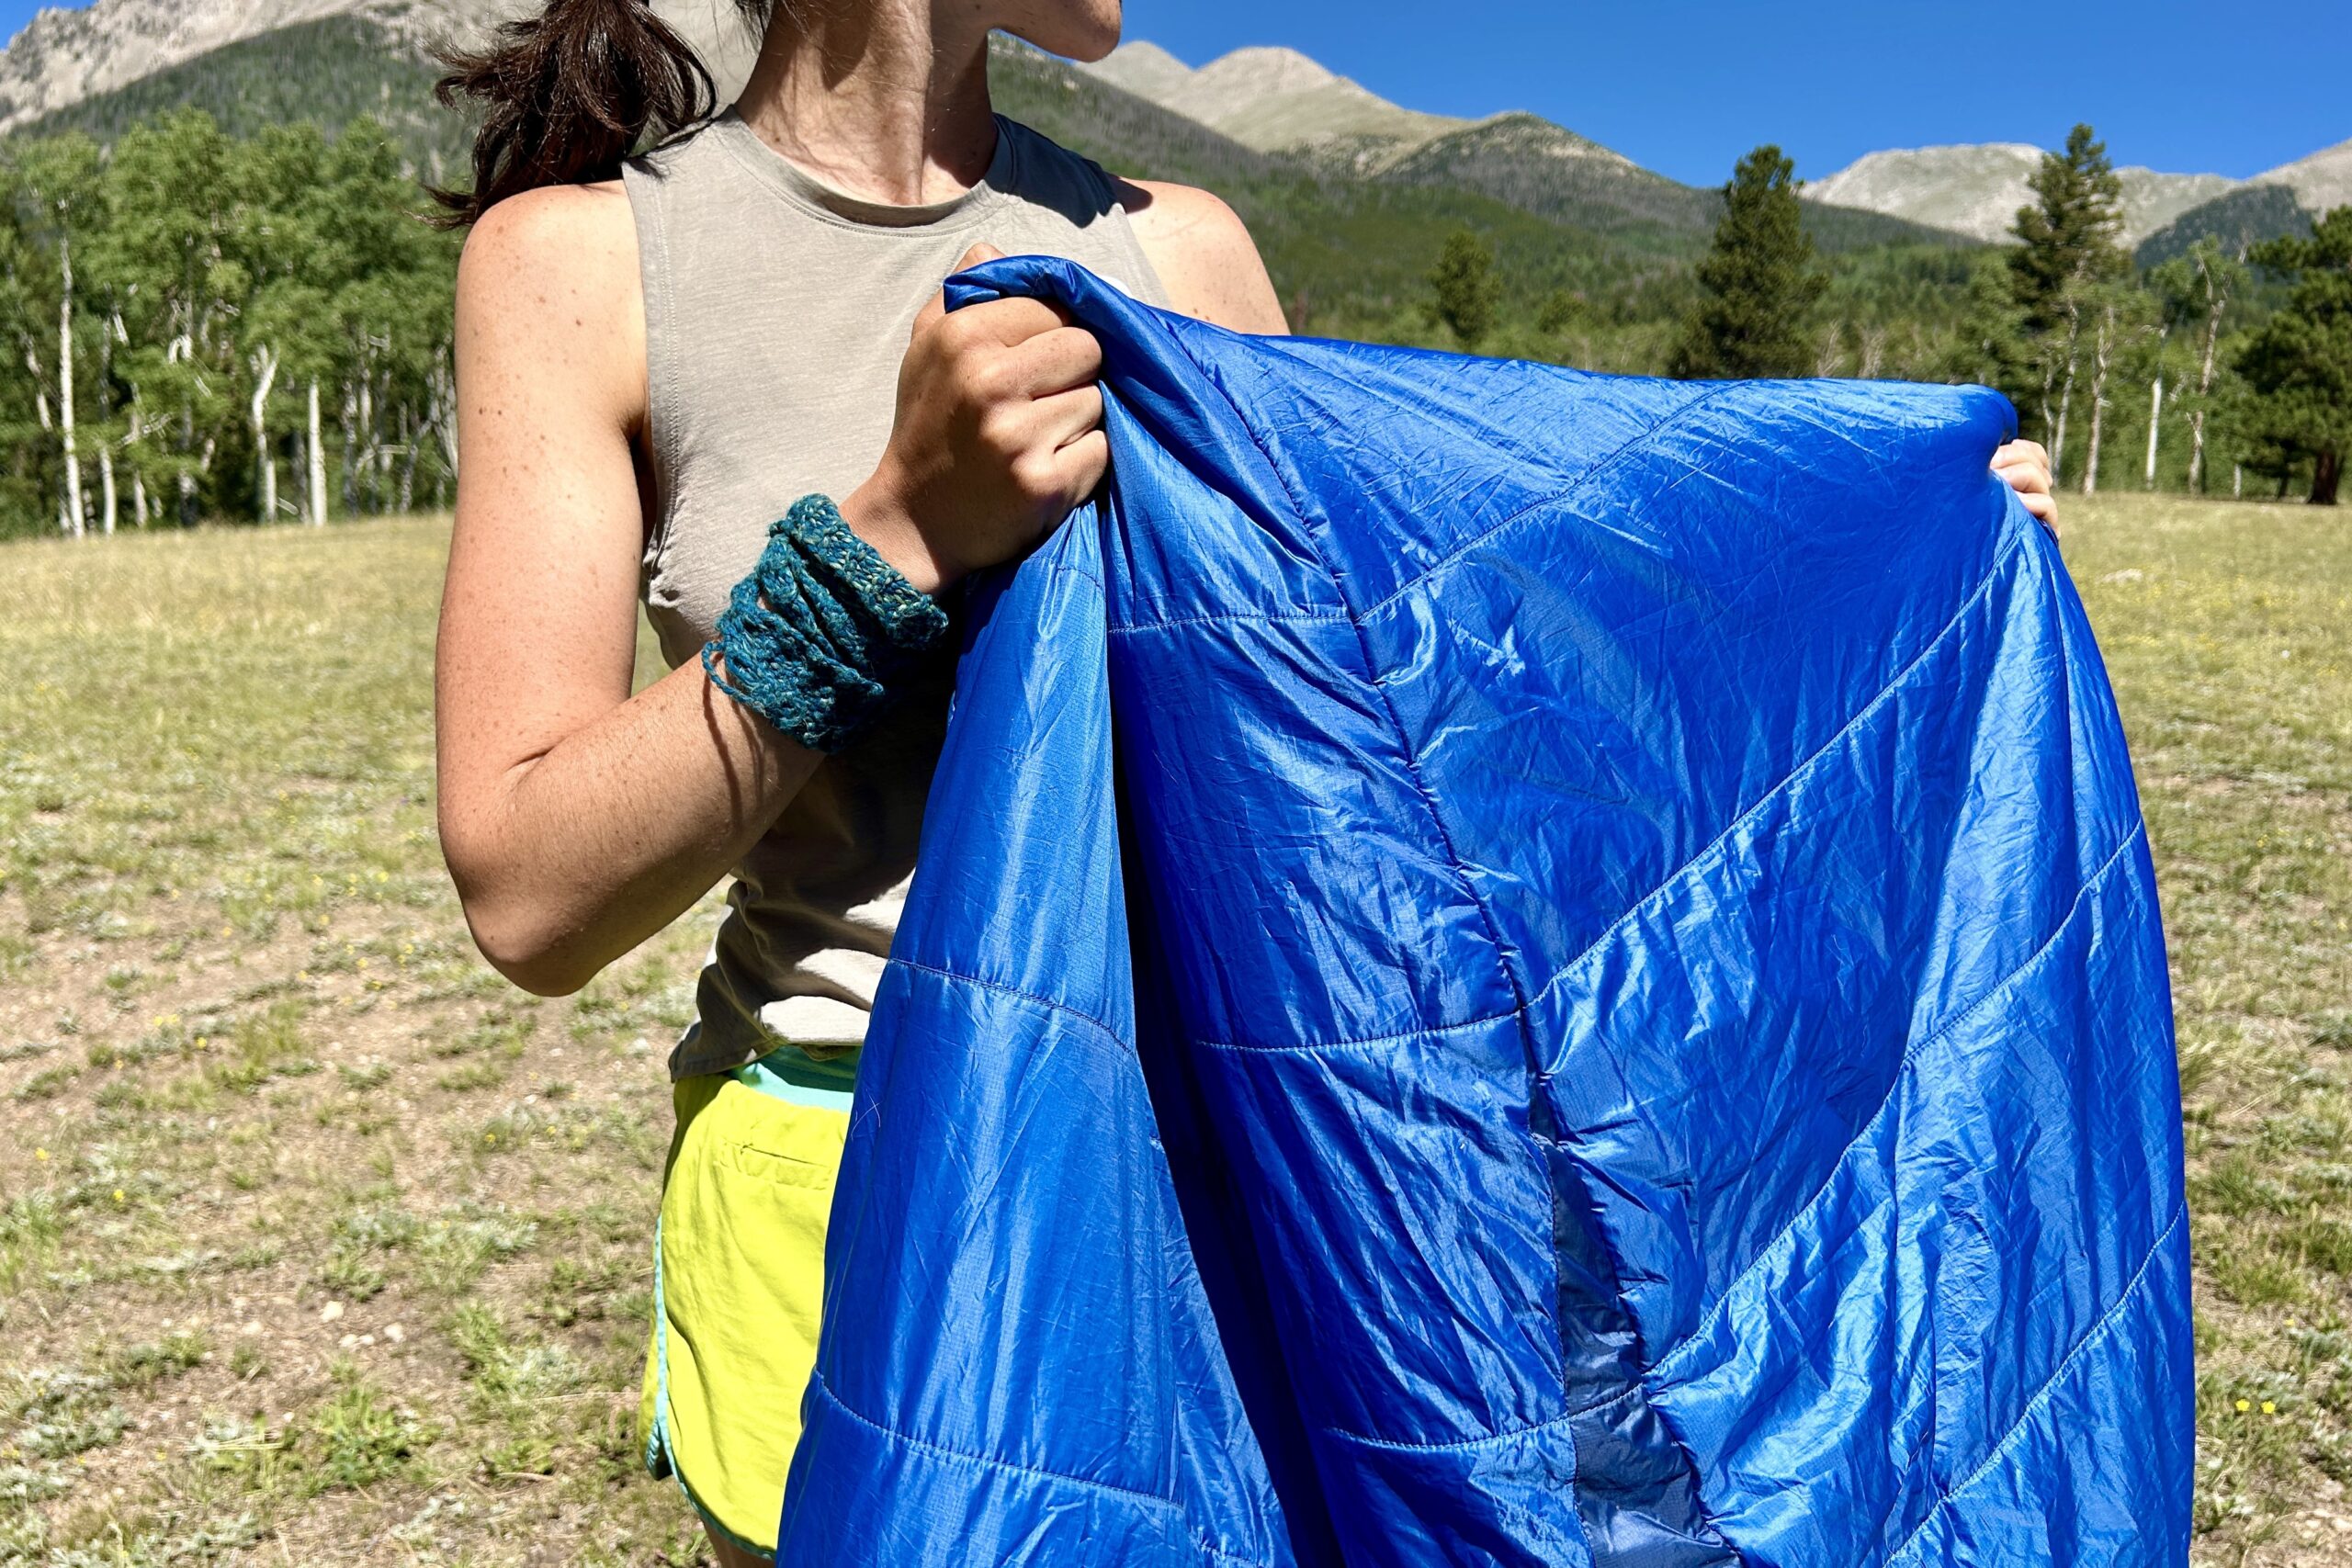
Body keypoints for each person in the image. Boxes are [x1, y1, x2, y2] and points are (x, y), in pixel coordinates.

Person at [429, 2, 2059, 1561]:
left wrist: (1888, 545)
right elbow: (527, 888)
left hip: (1210, 1181)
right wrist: (894, 536)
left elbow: (1410, 674)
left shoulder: (1178, 253)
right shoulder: (585, 267)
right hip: (845, 1201)